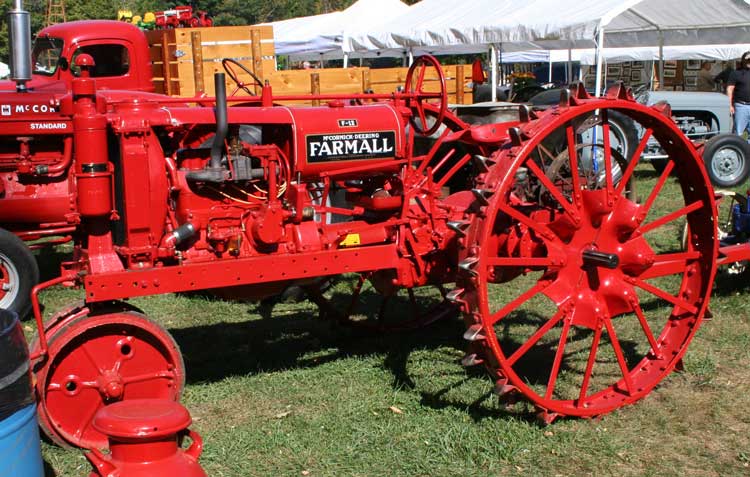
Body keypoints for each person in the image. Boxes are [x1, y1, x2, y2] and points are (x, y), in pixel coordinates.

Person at [728, 51, 750, 140]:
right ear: (743, 61)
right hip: (741, 106)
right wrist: (729, 105)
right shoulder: (736, 73)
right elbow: (730, 89)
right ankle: (738, 152)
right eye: (748, 60)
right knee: (738, 134)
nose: (749, 62)